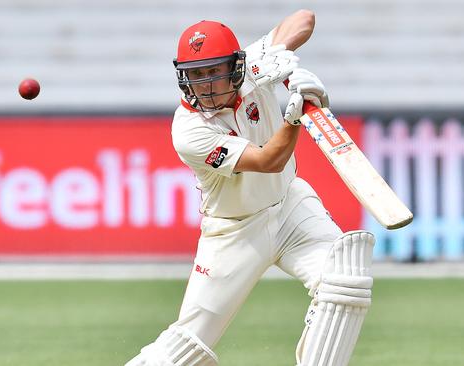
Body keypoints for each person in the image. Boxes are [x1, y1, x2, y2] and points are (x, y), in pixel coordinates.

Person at [125, 9, 375, 366]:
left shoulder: (254, 67)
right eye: (196, 75)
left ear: (236, 64)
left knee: (345, 279)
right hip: (234, 232)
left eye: (214, 71)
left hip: (290, 206)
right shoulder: (189, 131)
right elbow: (267, 160)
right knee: (186, 348)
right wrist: (295, 113)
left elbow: (303, 18)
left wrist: (279, 52)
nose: (206, 84)